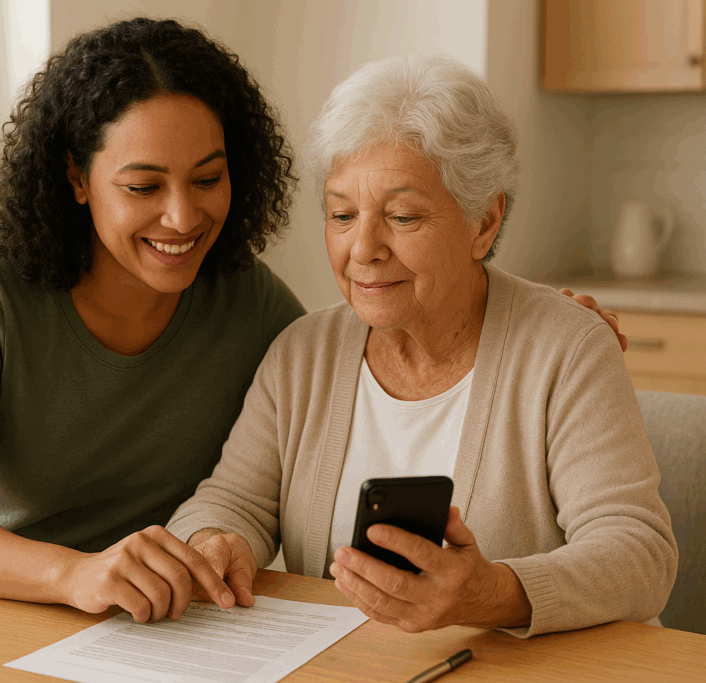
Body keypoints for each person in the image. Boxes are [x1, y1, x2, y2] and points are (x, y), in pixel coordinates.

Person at [0, 18, 625, 623]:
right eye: (142, 184)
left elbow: (366, 347)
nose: (182, 215)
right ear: (76, 178)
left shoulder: (248, 302)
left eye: (208, 178)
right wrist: (81, 569)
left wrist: (547, 328)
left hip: (134, 622)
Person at [167, 54, 677, 638]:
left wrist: (496, 595)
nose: (363, 248)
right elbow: (231, 500)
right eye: (341, 214)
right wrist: (212, 541)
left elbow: (641, 555)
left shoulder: (568, 347)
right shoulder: (302, 352)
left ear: (483, 222)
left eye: (403, 217)